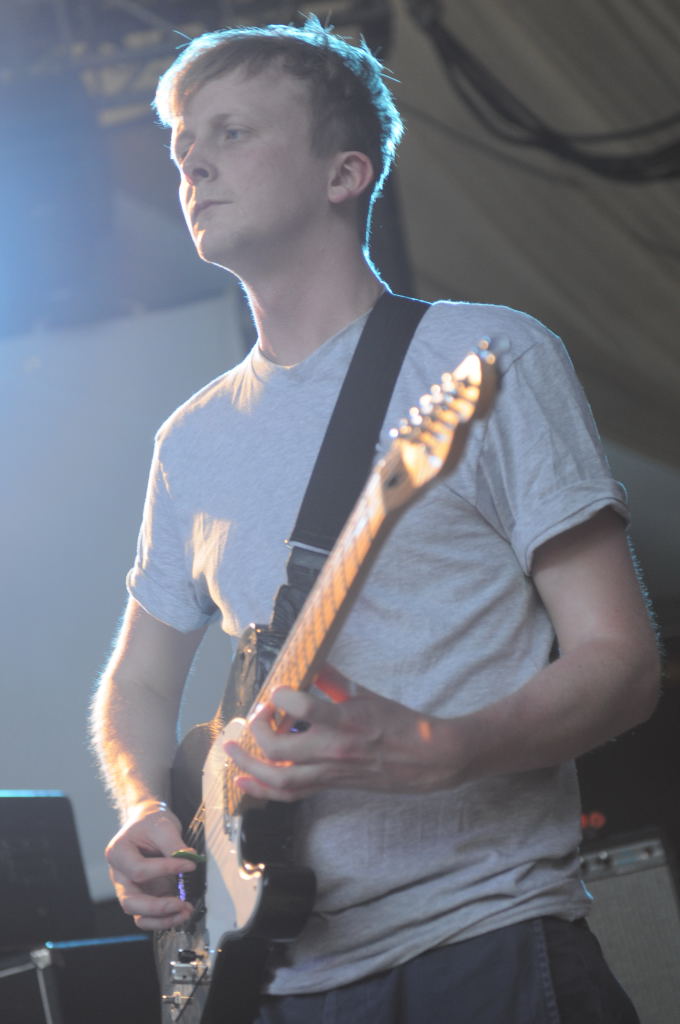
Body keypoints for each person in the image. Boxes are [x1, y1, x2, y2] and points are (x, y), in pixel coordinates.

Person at [90, 16, 659, 1023]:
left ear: (344, 173)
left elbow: (620, 661)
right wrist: (141, 806)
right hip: (272, 976)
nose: (191, 164)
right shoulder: (189, 441)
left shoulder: (487, 358)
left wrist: (450, 746)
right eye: (183, 147)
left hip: (482, 940)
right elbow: (138, 680)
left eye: (230, 133)